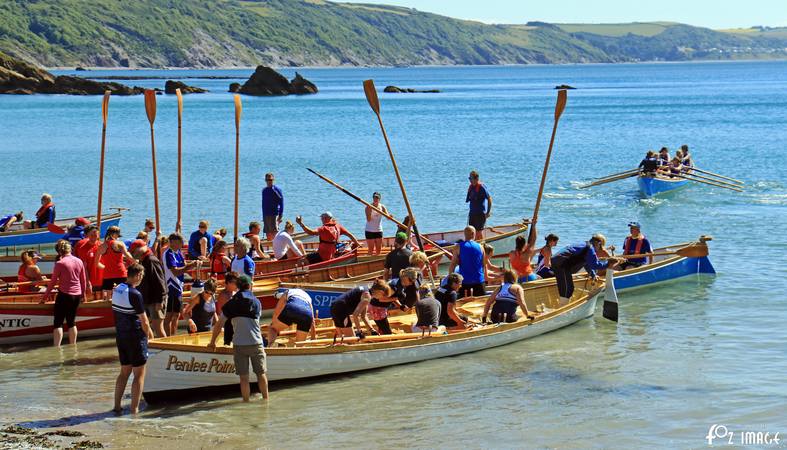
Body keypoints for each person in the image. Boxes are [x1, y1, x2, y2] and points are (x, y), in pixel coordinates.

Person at [208, 275, 269, 402]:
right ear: (249, 286)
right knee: (261, 374)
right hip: (256, 342)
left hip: (239, 345)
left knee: (244, 378)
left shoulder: (231, 303)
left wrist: (212, 342)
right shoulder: (257, 302)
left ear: (237, 286)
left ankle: (246, 402)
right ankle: (266, 400)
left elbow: (219, 324)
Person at [111, 263, 154, 415]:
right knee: (139, 374)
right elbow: (144, 320)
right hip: (135, 337)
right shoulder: (135, 294)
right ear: (137, 276)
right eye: (141, 276)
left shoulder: (117, 289)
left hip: (121, 335)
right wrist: (149, 335)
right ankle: (134, 410)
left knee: (124, 372)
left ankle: (117, 406)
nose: (142, 279)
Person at [551, 234, 621, 306]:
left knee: (566, 286)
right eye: (600, 247)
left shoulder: (585, 245)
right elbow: (595, 265)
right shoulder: (590, 248)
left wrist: (593, 275)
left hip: (556, 261)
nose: (599, 250)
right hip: (562, 263)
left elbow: (586, 263)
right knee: (568, 288)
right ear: (598, 244)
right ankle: (563, 308)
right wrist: (608, 263)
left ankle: (562, 305)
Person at [41, 240, 87, 347]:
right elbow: (83, 280)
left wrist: (44, 298)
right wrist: (83, 295)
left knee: (58, 322)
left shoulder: (60, 263)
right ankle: (73, 346)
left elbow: (52, 283)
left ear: (59, 251)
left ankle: (56, 348)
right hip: (77, 295)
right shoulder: (79, 261)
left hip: (64, 295)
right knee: (71, 322)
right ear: (70, 249)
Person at [163, 233, 201, 336]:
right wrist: (190, 266)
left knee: (176, 315)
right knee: (169, 316)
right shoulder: (168, 254)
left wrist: (194, 263)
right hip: (171, 287)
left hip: (178, 287)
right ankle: (167, 339)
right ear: (173, 242)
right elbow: (175, 272)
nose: (182, 244)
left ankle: (173, 336)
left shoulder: (178, 252)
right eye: (180, 242)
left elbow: (184, 265)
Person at [129, 239, 168, 338]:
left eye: (133, 251)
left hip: (155, 300)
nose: (132, 253)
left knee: (158, 327)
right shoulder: (144, 260)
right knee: (145, 325)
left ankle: (165, 349)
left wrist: (159, 301)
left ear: (140, 249)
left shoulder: (151, 260)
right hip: (148, 299)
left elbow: (160, 281)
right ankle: (150, 345)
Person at [95, 226, 135, 300]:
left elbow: (96, 263)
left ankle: (108, 311)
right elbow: (128, 256)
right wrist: (135, 262)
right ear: (115, 234)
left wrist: (105, 267)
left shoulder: (102, 246)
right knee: (124, 295)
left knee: (107, 298)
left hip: (107, 274)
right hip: (120, 272)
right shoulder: (119, 244)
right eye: (118, 235)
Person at [448, 225, 487, 298]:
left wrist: (451, 282)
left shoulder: (458, 247)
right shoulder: (481, 247)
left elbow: (452, 265)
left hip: (464, 282)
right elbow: (484, 265)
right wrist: (484, 280)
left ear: (464, 234)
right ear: (473, 234)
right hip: (479, 281)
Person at [75, 224, 103, 300]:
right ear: (86, 235)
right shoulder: (82, 248)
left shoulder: (102, 246)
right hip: (89, 282)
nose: (94, 237)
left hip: (102, 281)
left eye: (96, 234)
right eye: (91, 235)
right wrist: (87, 283)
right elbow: (83, 267)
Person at [466, 171, 492, 239]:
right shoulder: (471, 187)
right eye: (469, 178)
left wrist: (488, 212)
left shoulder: (481, 187)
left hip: (480, 214)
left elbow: (489, 199)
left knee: (478, 232)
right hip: (472, 213)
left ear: (476, 179)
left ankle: (481, 247)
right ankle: (474, 247)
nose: (469, 180)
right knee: (471, 232)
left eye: (470, 178)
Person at [261, 172, 284, 241]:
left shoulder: (276, 190)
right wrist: (263, 216)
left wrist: (280, 215)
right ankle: (270, 249)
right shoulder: (264, 190)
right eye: (267, 180)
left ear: (273, 180)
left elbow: (281, 202)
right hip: (266, 215)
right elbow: (263, 204)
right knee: (268, 234)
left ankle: (276, 249)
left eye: (270, 180)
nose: (269, 181)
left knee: (275, 233)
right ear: (265, 180)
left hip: (274, 214)